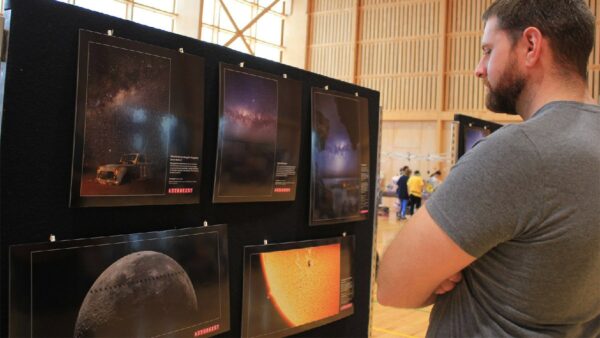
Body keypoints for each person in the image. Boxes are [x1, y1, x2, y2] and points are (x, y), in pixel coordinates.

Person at [377, 1, 600, 337]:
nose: (479, 69)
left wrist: (454, 266)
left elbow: (394, 284)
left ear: (530, 45)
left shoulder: (517, 152)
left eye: (487, 50)